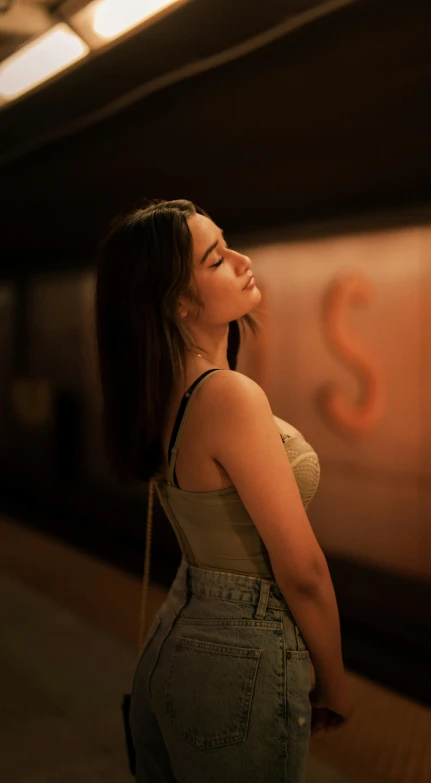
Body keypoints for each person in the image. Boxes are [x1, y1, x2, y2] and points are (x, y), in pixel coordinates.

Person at [94, 199, 352, 782]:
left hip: (173, 643)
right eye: (216, 259)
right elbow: (303, 571)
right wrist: (334, 681)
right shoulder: (229, 396)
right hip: (240, 658)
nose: (242, 260)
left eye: (227, 243)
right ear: (180, 302)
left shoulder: (160, 391)